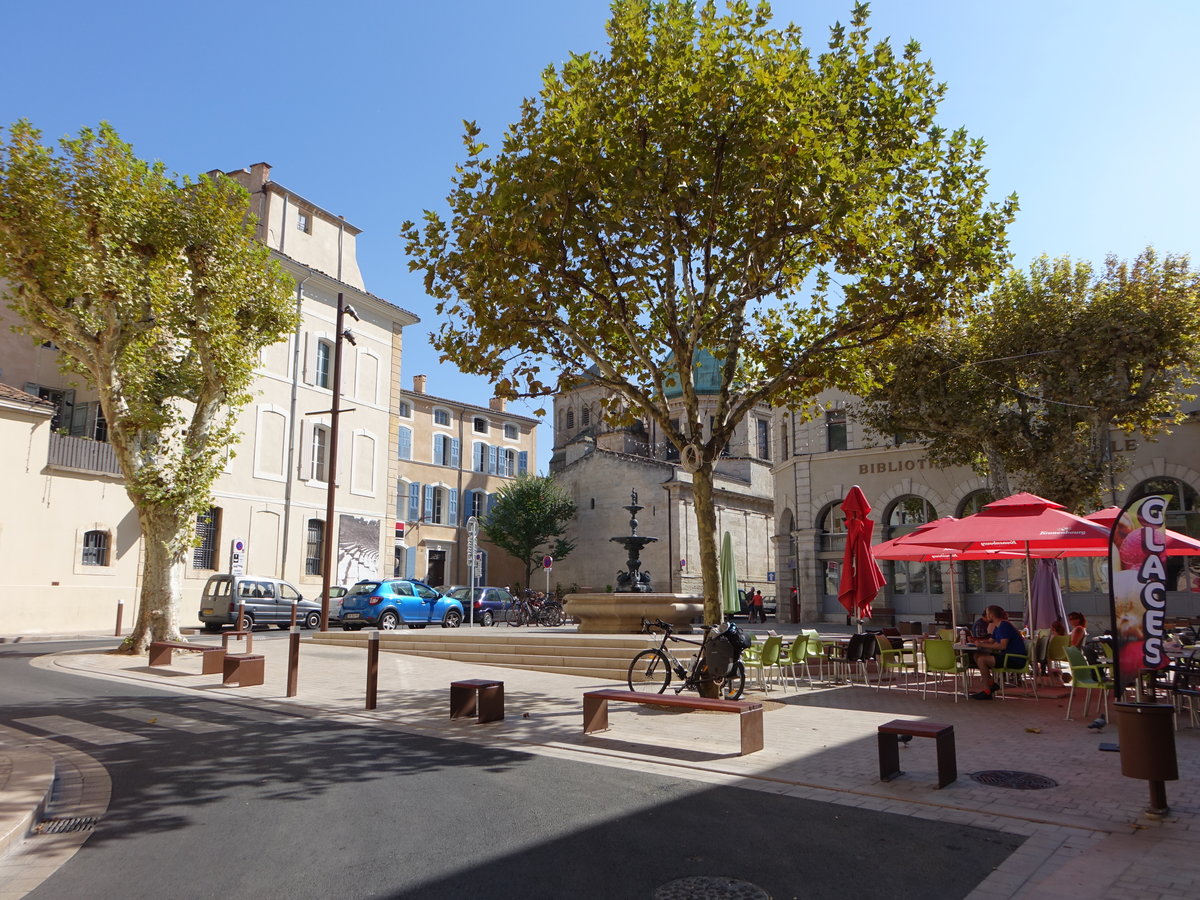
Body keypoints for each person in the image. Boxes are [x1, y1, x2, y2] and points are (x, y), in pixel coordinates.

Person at [970, 605, 1027, 700]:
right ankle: (992, 683)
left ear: (991, 615)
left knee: (981, 659)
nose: (986, 616)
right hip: (1006, 656)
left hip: (1014, 658)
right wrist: (976, 641)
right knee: (976, 655)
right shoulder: (998, 626)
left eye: (987, 614)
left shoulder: (1004, 626)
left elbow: (1002, 645)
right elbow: (991, 641)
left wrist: (981, 645)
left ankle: (987, 691)